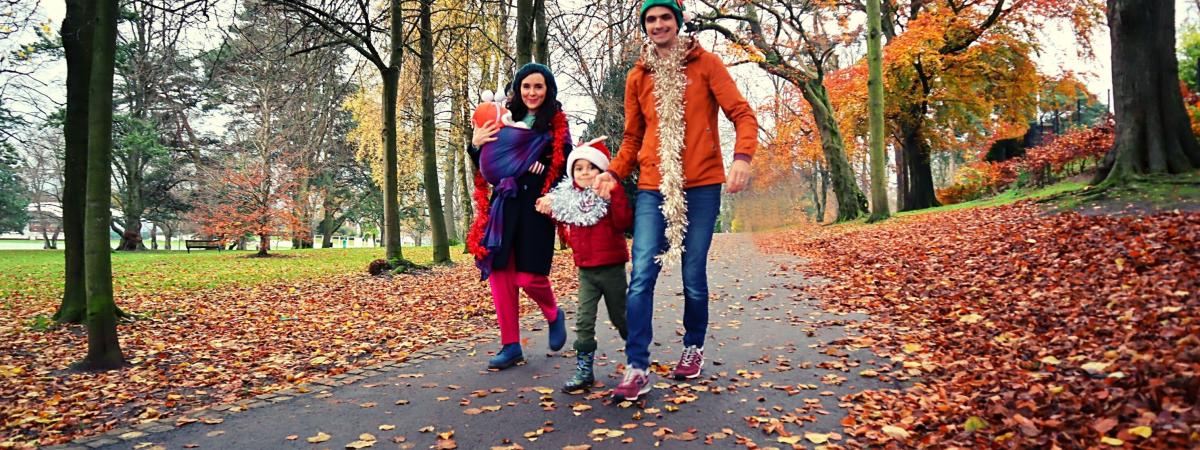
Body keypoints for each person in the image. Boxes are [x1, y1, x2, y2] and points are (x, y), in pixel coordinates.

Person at [592, 0, 758, 400]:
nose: (658, 24)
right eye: (651, 19)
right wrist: (613, 173)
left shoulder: (706, 64)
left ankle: (693, 347)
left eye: (666, 17)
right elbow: (633, 138)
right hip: (653, 184)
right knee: (642, 276)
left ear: (678, 22)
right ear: (645, 26)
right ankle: (636, 366)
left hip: (701, 185)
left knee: (692, 275)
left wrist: (742, 158)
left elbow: (742, 113)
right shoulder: (638, 76)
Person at [467, 63, 571, 370]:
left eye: (538, 86)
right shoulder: (503, 118)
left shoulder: (555, 126)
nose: (532, 92)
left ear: (548, 90)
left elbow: (564, 164)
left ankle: (554, 313)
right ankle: (511, 345)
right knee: (500, 275)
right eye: (526, 86)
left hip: (536, 206)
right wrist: (475, 144)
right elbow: (487, 161)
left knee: (528, 277)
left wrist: (538, 167)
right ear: (518, 89)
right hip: (505, 204)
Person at [534, 140, 631, 392]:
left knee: (621, 318)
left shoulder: (607, 195)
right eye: (579, 168)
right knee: (584, 322)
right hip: (586, 272)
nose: (585, 172)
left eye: (591, 167)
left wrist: (617, 194)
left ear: (602, 171)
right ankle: (584, 370)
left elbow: (623, 223)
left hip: (611, 269)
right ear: (572, 173)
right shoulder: (571, 200)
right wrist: (547, 203)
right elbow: (559, 210)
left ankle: (636, 359)